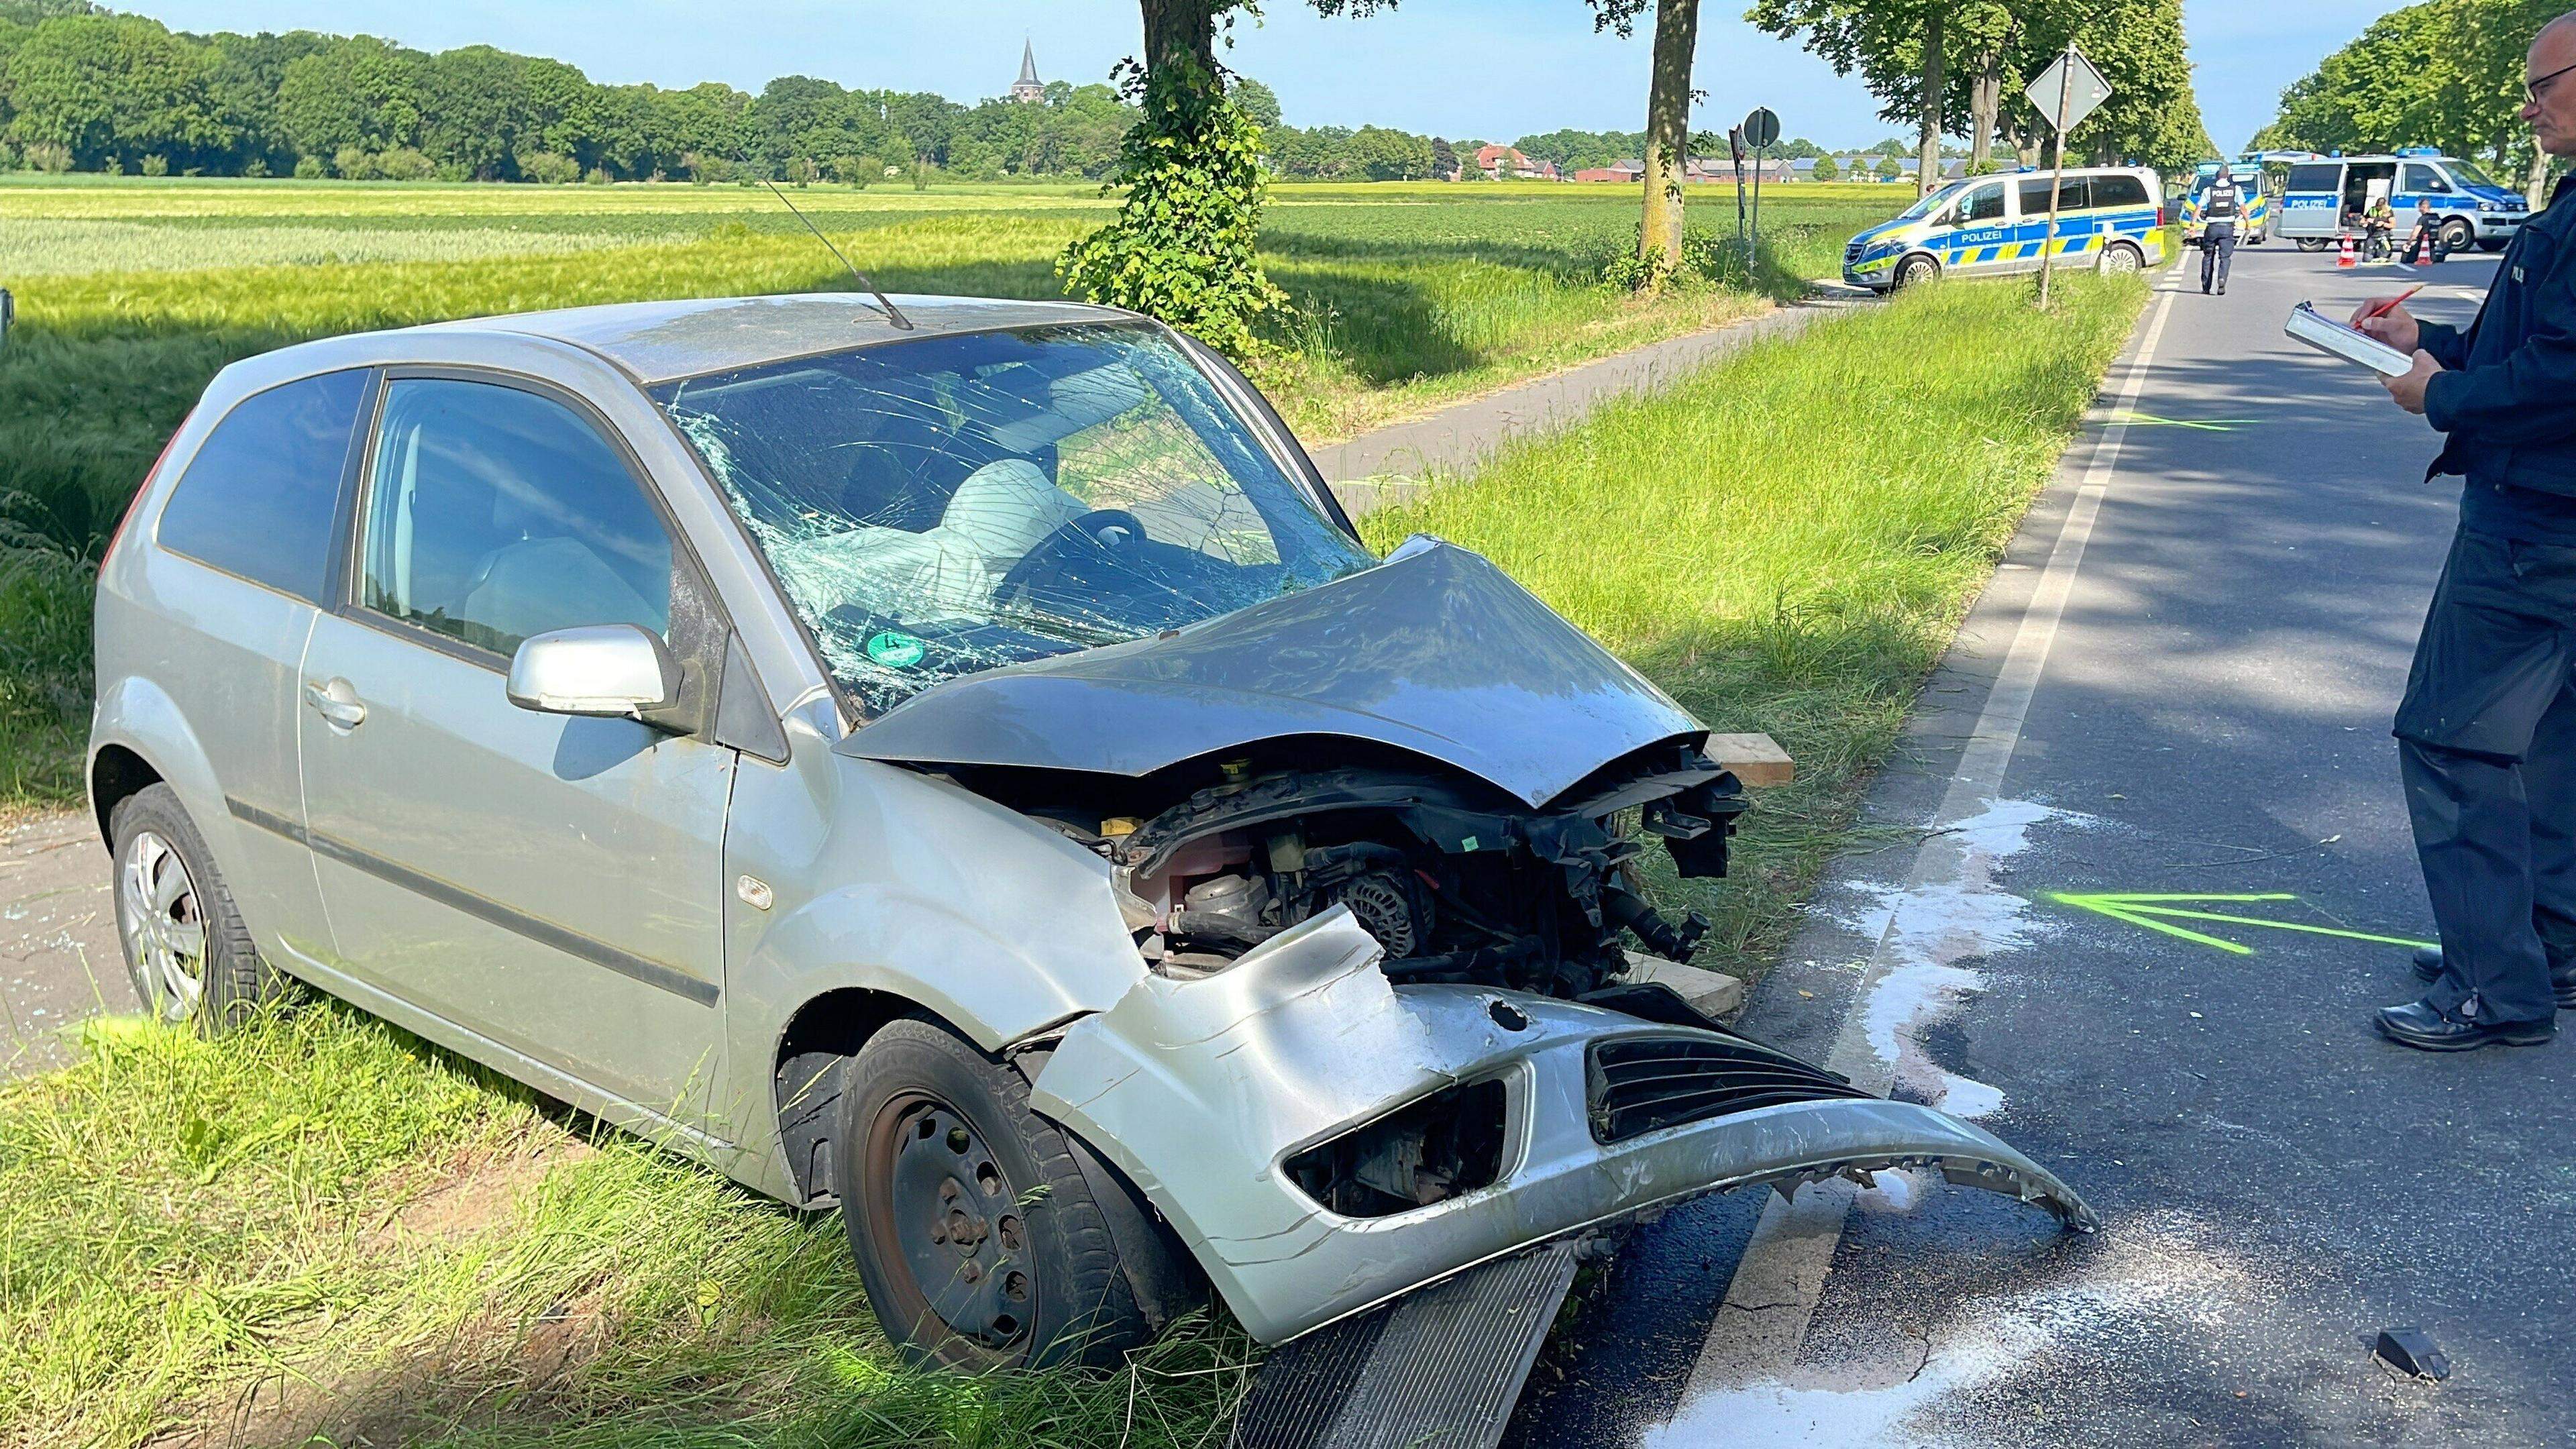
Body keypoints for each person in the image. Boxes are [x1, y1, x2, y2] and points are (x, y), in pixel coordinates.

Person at [2353, 9, 2576, 1051]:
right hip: (2553, 514)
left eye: (2542, 85)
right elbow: (2534, 344)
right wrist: (2424, 340)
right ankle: (2543, 946)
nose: (2526, 104)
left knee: (2454, 736)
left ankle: (2494, 987)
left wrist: (2439, 398)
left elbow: (2561, 379)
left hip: (2537, 521)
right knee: (2550, 744)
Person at [2198, 170, 2244, 294]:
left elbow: (2198, 208)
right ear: (2228, 176)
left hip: (2212, 228)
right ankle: (2222, 279)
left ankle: (2206, 286)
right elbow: (2243, 208)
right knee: (2225, 257)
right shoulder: (2236, 190)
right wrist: (2248, 224)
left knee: (2208, 256)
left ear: (2216, 177)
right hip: (2227, 228)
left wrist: (2192, 225)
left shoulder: (2208, 190)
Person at [2364, 195, 2398, 260]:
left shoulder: (2388, 211)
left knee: (2386, 247)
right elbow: (2364, 220)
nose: (2378, 207)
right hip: (2372, 234)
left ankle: (2386, 256)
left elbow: (2393, 225)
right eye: (2378, 205)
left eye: (2380, 206)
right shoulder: (2372, 209)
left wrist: (2383, 224)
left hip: (2384, 234)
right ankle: (2369, 258)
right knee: (2368, 250)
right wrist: (2367, 221)